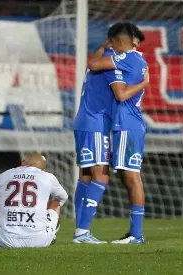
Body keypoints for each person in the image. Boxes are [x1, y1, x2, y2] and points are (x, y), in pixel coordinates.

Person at [72, 24, 148, 244]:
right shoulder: (112, 63)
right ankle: (82, 232)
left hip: (94, 122)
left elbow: (94, 64)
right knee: (102, 175)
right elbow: (121, 93)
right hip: (97, 123)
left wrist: (103, 46)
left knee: (91, 175)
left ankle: (84, 231)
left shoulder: (112, 58)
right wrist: (144, 82)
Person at [0, 153, 68, 248]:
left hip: (6, 241)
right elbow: (63, 197)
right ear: (43, 170)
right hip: (40, 241)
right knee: (56, 202)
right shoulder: (48, 177)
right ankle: (51, 233)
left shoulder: (4, 175)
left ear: (22, 162)